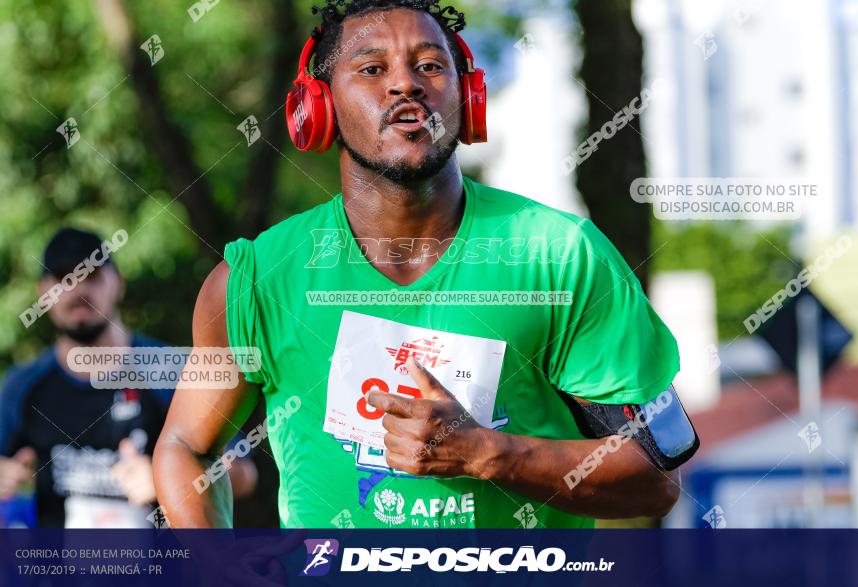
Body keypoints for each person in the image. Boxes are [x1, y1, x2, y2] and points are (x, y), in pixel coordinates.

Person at [155, 0, 693, 529]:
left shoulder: (558, 256)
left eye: (431, 66)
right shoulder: (256, 281)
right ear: (317, 108)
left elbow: (654, 480)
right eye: (371, 69)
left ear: (468, 96)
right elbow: (185, 447)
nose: (406, 84)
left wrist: (486, 453)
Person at [0, 228, 256, 527]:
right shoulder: (23, 386)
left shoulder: (172, 370)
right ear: (42, 293)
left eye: (92, 276)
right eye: (63, 279)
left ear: (118, 284)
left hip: (163, 570)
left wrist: (171, 480)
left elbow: (244, 475)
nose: (78, 290)